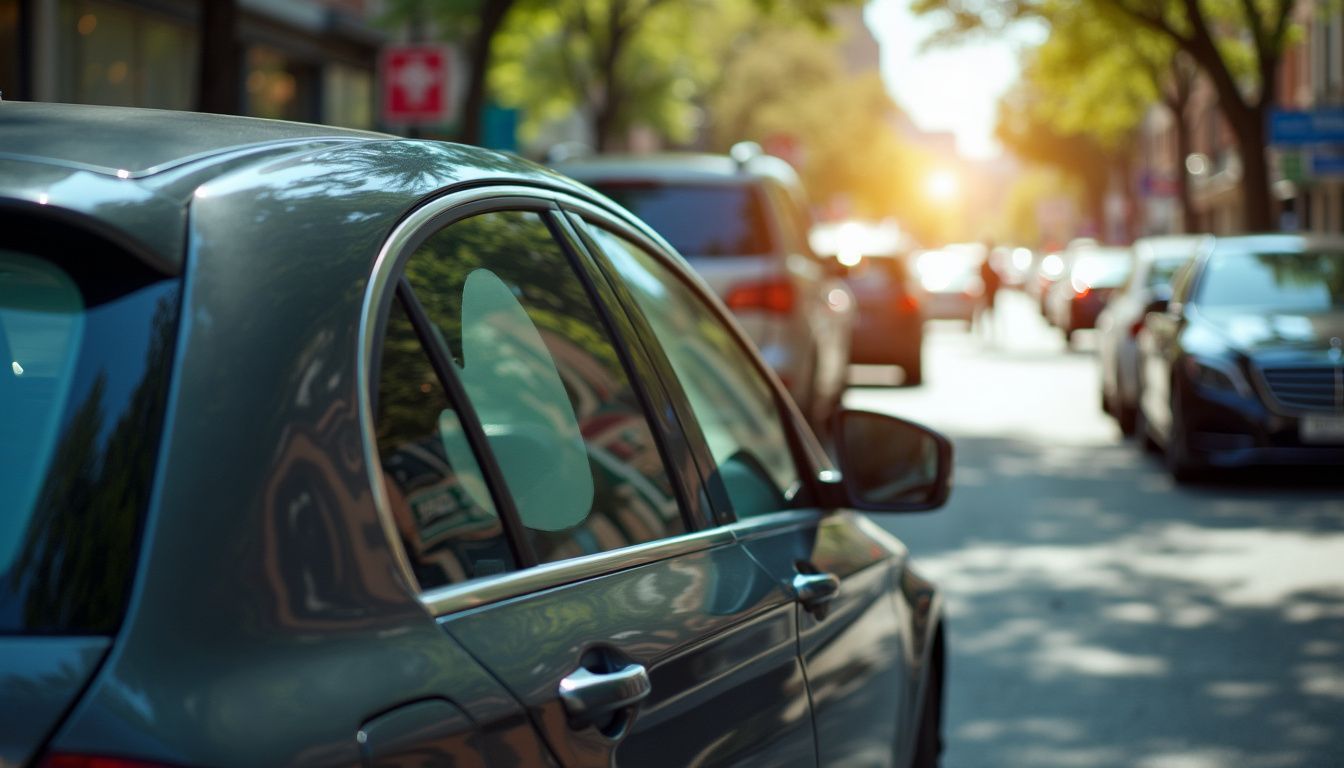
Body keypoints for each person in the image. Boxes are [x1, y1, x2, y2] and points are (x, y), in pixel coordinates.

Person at [978, 243, 1002, 336]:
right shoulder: (986, 263)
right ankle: (984, 330)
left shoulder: (993, 261)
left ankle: (991, 329)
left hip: (991, 291)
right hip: (987, 290)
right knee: (984, 310)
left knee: (989, 310)